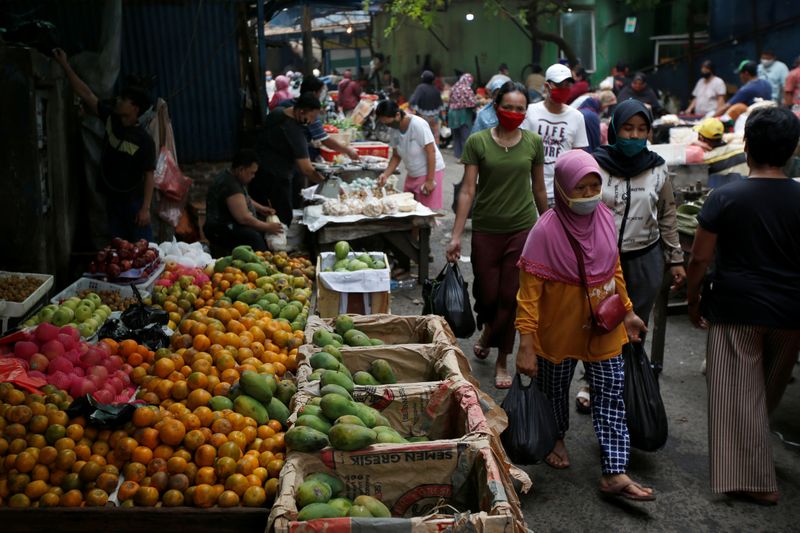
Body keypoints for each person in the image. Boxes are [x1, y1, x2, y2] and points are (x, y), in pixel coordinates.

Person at [515, 150, 652, 500]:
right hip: (558, 330)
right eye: (581, 188)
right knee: (555, 391)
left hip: (604, 327)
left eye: (595, 185)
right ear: (562, 189)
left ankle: (615, 470)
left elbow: (613, 268)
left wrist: (629, 311)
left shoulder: (604, 216)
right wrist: (526, 344)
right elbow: (528, 296)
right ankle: (556, 437)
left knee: (610, 393)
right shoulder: (544, 231)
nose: (590, 194)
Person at [686, 107, 800, 506]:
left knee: (737, 395)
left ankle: (756, 479)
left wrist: (694, 298)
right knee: (763, 393)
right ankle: (752, 461)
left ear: (747, 147)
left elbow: (699, 258)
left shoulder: (725, 196)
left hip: (737, 308)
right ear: (792, 150)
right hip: (790, 313)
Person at [583, 99, 685, 409]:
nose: (634, 136)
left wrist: (676, 257)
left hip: (644, 258)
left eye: (641, 129)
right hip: (601, 260)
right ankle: (591, 381)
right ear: (615, 129)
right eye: (628, 128)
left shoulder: (657, 166)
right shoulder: (595, 163)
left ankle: (626, 386)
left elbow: (667, 213)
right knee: (598, 322)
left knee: (633, 326)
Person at [447, 81, 548, 389]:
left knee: (511, 297)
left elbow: (539, 188)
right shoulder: (478, 142)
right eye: (508, 107)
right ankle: (489, 331)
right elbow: (467, 189)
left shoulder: (533, 142)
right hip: (487, 230)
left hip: (522, 229)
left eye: (520, 109)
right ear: (494, 106)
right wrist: (455, 234)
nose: (514, 113)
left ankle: (503, 358)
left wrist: (550, 226)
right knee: (488, 296)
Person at [53, 48, 156, 242]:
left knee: (143, 250)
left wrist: (145, 209)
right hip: (113, 200)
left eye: (124, 100)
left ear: (134, 108)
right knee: (118, 250)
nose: (118, 101)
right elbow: (86, 93)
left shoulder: (144, 140)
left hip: (134, 202)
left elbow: (150, 175)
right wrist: (65, 65)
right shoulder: (111, 119)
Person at [251, 92, 327, 226]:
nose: (312, 121)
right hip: (277, 179)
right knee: (282, 217)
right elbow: (307, 170)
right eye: (312, 117)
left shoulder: (277, 112)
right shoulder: (294, 132)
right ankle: (277, 245)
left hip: (259, 172)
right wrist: (329, 186)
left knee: (264, 215)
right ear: (301, 111)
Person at [521, 63, 589, 206]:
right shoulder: (530, 112)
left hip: (563, 193)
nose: (564, 89)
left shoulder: (577, 117)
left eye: (567, 85)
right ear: (546, 86)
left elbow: (579, 157)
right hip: (529, 191)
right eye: (559, 85)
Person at [204, 150, 283, 253]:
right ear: (241, 169)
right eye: (252, 172)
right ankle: (264, 261)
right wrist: (268, 227)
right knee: (254, 237)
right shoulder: (230, 185)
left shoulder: (231, 176)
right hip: (220, 229)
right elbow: (244, 219)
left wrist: (260, 208)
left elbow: (243, 198)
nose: (253, 176)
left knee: (259, 227)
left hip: (227, 224)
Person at [376, 100, 446, 209]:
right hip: (413, 173)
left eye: (388, 123)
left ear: (398, 115)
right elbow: (396, 156)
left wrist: (430, 180)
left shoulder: (417, 124)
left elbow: (431, 151)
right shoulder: (394, 129)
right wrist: (385, 174)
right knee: (409, 209)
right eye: (385, 124)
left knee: (425, 213)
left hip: (429, 172)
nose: (388, 126)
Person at [409, 70, 445, 144]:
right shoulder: (436, 89)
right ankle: (436, 152)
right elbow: (441, 106)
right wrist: (443, 119)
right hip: (435, 118)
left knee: (424, 137)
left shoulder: (420, 88)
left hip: (423, 117)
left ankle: (426, 153)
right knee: (435, 137)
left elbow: (414, 101)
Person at [447, 73, 478, 158]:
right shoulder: (466, 89)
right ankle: (465, 157)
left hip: (452, 115)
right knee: (465, 136)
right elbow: (473, 102)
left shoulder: (454, 87)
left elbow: (448, 101)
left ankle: (458, 156)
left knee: (456, 136)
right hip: (463, 115)